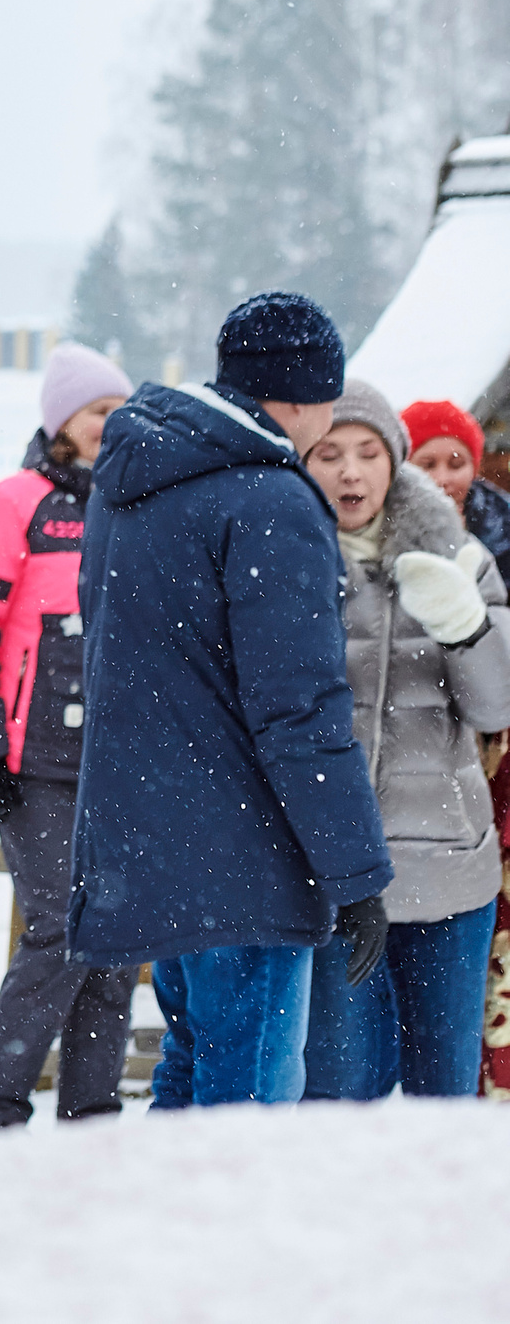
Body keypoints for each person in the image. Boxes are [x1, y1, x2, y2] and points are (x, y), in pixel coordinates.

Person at [71, 292, 393, 1107]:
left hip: (156, 840)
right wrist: (356, 874)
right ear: (307, 395)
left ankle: (163, 1234)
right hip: (246, 855)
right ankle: (220, 1240)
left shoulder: (136, 476)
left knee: (189, 1069)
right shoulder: (269, 499)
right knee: (247, 1103)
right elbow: (299, 708)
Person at [295, 382, 510, 1099]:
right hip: (335, 874)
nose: (351, 471)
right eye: (331, 454)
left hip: (449, 868)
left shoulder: (463, 558)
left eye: (367, 453)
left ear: (394, 462)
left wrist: (467, 625)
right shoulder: (284, 560)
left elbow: (496, 704)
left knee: (442, 1098)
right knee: (340, 1092)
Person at [0, 341, 142, 1130]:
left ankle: (92, 1113)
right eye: (99, 411)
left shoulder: (136, 503)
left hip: (121, 761)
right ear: (63, 422)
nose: (112, 424)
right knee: (60, 925)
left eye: (120, 411)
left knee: (118, 934)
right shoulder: (12, 503)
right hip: (35, 764)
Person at [401, 398, 510, 572]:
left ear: (474, 469)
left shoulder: (503, 523)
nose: (442, 479)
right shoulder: (376, 526)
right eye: (427, 465)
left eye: (456, 464)